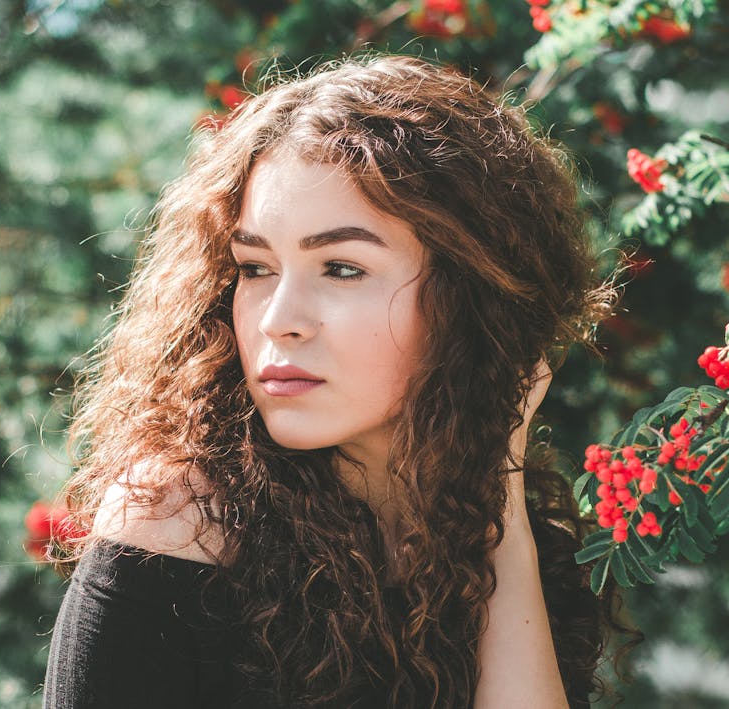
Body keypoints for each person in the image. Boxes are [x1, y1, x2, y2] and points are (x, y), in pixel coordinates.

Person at [42, 54, 626, 708]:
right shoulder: (181, 517)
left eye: (342, 268)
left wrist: (500, 501)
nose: (279, 320)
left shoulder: (512, 537)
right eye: (255, 268)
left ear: (470, 298)